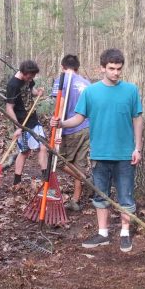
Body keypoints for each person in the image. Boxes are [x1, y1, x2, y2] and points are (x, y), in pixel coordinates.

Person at [52, 49, 143, 253]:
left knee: (125, 196)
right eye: (111, 68)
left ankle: (125, 233)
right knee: (101, 196)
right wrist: (61, 124)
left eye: (119, 69)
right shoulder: (90, 92)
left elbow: (138, 118)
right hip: (100, 154)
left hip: (125, 154)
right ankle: (102, 233)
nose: (116, 73)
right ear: (102, 68)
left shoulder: (131, 90)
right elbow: (79, 118)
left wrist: (138, 147)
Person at [51, 54, 92, 211]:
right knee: (78, 164)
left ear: (62, 66)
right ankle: (75, 199)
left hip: (70, 128)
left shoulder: (61, 80)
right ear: (77, 67)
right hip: (87, 127)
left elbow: (59, 106)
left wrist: (56, 129)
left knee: (60, 161)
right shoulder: (87, 83)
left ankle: (86, 180)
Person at [5, 60, 48, 185]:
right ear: (23, 73)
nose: (32, 78)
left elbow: (31, 91)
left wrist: (37, 92)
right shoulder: (13, 85)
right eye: (30, 76)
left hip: (33, 119)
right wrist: (17, 127)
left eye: (33, 76)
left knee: (43, 146)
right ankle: (17, 181)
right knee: (24, 152)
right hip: (22, 122)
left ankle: (46, 177)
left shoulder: (29, 79)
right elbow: (9, 108)